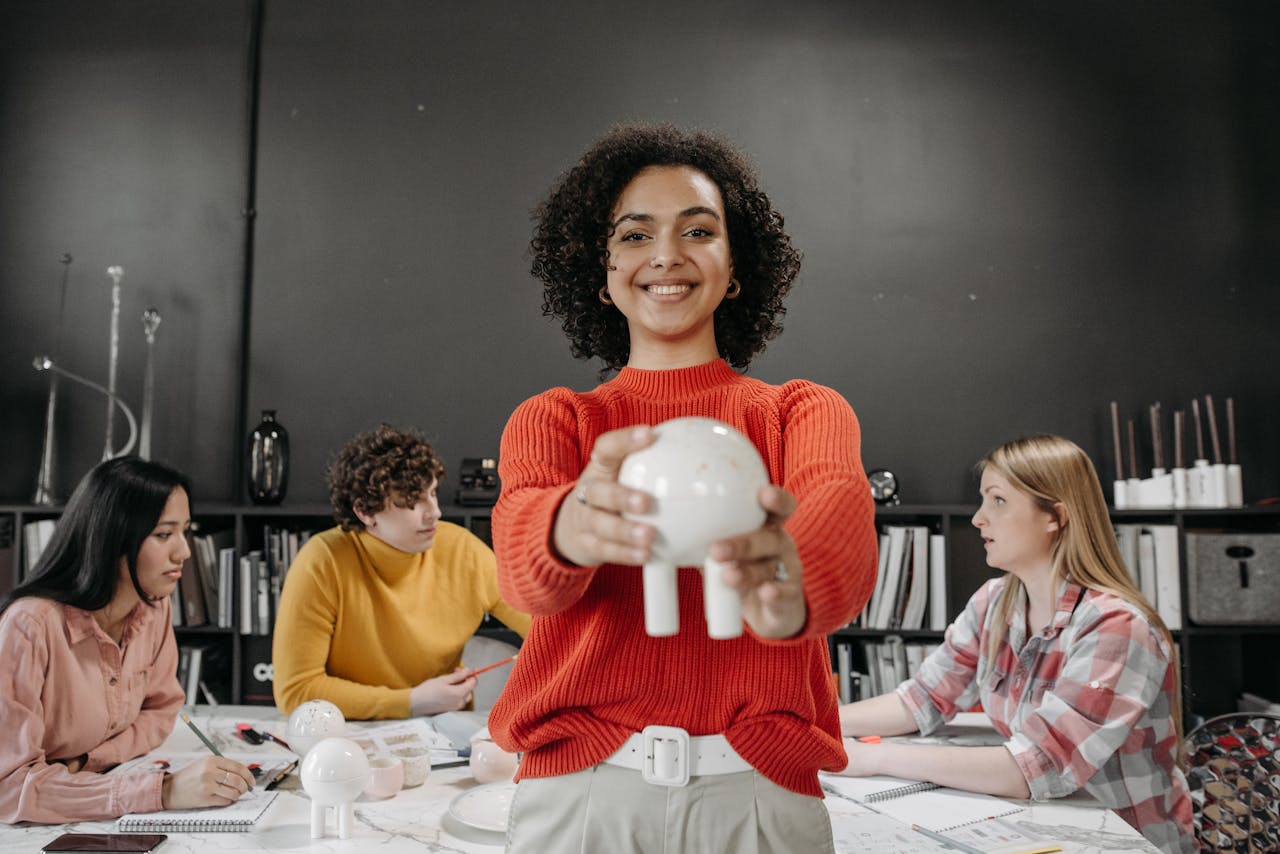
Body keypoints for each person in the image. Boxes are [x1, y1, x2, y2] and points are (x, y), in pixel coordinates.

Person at [489, 123, 878, 853]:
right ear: (600, 276)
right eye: (634, 236)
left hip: (760, 798)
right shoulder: (557, 421)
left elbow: (837, 519)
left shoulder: (802, 411)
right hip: (582, 800)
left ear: (736, 267)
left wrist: (788, 578)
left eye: (697, 230)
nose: (666, 255)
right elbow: (520, 567)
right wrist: (566, 528)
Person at [838, 434, 1193, 854]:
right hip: (1049, 826)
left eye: (998, 500)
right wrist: (817, 724)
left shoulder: (1116, 627)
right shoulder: (994, 602)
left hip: (1126, 841)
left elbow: (1036, 767)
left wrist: (870, 758)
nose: (978, 518)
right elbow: (923, 699)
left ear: (1054, 517)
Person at [0, 457, 255, 824]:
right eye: (164, 534)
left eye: (186, 530)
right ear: (112, 539)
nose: (183, 551)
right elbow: (10, 788)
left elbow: (161, 710)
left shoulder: (154, 607)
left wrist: (89, 761)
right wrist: (162, 791)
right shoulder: (30, 627)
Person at [272, 424, 531, 720]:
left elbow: (544, 624)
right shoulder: (322, 563)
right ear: (365, 512)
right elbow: (295, 691)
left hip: (443, 735)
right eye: (412, 501)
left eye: (432, 493)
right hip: (349, 738)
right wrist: (411, 701)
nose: (434, 511)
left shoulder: (462, 550)